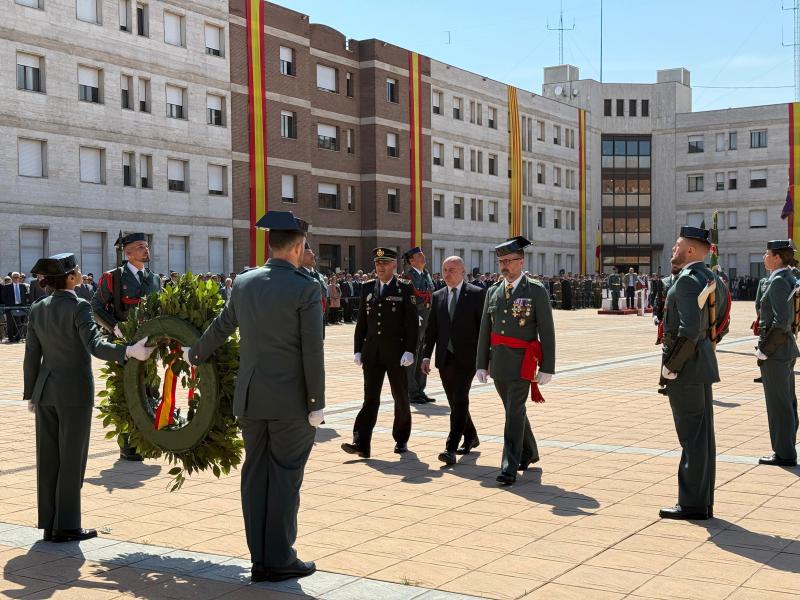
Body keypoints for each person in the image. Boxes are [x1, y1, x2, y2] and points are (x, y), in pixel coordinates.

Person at [184, 211, 324, 583]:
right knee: (284, 478)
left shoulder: (244, 282)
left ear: (269, 245)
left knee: (255, 476)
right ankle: (279, 559)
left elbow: (221, 326)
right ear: (297, 247)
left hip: (250, 399)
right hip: (292, 402)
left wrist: (193, 353)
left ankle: (260, 558)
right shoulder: (305, 287)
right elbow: (312, 350)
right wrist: (316, 404)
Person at [23, 253, 153, 543]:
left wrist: (31, 392)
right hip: (74, 392)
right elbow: (94, 345)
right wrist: (128, 351)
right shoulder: (79, 306)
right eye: (78, 270)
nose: (81, 273)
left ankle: (49, 523)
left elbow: (31, 354)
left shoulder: (38, 307)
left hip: (46, 391)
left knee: (49, 459)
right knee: (71, 459)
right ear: (70, 278)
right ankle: (67, 525)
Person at [658, 226, 728, 520]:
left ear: (690, 251)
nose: (672, 250)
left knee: (692, 437)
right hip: (702, 365)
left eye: (676, 246)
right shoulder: (714, 278)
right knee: (702, 437)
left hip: (686, 369)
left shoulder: (687, 281)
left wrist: (672, 367)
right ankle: (701, 500)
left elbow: (688, 329)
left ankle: (692, 504)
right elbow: (720, 324)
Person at [476, 236, 556, 485]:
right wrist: (481, 362)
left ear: (521, 262)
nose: (504, 266)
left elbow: (547, 330)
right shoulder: (493, 291)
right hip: (498, 363)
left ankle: (508, 467)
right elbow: (484, 331)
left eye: (509, 261)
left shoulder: (535, 290)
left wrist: (548, 366)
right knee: (514, 412)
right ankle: (529, 452)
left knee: (513, 413)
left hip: (523, 362)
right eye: (501, 261)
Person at [91, 232, 161, 461]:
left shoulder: (154, 278)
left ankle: (147, 438)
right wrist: (114, 328)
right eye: (141, 247)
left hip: (150, 345)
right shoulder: (112, 277)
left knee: (149, 389)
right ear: (128, 252)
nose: (146, 250)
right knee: (126, 392)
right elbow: (97, 307)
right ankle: (128, 444)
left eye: (147, 246)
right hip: (125, 345)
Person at [342, 248, 417, 458]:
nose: (380, 267)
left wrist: (410, 350)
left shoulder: (404, 288)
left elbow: (412, 324)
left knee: (400, 397)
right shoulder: (367, 287)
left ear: (394, 265)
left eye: (385, 263)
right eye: (377, 264)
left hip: (397, 353)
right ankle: (361, 443)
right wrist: (357, 349)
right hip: (372, 353)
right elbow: (361, 323)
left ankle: (401, 439)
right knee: (370, 399)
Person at [422, 256, 485, 464]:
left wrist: (486, 358)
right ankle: (471, 436)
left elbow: (484, 329)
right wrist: (425, 355)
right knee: (454, 401)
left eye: (451, 270)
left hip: (467, 358)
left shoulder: (476, 295)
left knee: (459, 399)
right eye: (444, 269)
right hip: (445, 358)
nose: (446, 274)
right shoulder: (438, 295)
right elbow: (432, 329)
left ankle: (450, 447)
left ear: (462, 271)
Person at [755, 240, 799, 467]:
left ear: (778, 258)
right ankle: (787, 445)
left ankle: (784, 452)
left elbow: (781, 322)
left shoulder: (780, 282)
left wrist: (765, 350)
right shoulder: (788, 277)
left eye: (767, 253)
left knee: (778, 403)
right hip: (785, 348)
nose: (764, 256)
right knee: (787, 400)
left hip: (777, 350)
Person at [404, 247, 436, 404]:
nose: (423, 257)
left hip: (427, 318)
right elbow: (410, 299)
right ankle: (411, 390)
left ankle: (420, 389)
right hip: (416, 319)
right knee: (414, 354)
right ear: (411, 261)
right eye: (419, 255)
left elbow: (431, 294)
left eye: (423, 254)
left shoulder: (426, 274)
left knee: (424, 354)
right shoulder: (408, 276)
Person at [2, 271, 31, 343]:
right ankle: (11, 338)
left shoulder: (22, 286)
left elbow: (26, 295)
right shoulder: (7, 286)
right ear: (12, 278)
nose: (17, 279)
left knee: (20, 323)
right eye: (15, 277)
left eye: (18, 277)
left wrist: (25, 302)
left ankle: (18, 338)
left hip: (20, 306)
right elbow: (3, 297)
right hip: (10, 307)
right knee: (10, 323)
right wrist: (8, 304)